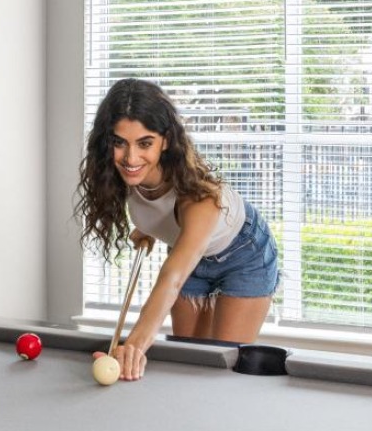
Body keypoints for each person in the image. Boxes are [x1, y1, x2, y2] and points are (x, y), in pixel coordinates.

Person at [76, 78, 279, 381]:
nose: (131, 158)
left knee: (221, 368)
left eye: (145, 143)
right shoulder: (119, 174)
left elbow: (171, 280)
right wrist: (150, 228)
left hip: (244, 254)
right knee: (192, 362)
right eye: (120, 142)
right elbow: (156, 213)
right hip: (189, 255)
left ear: (166, 140)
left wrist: (133, 346)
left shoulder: (200, 198)